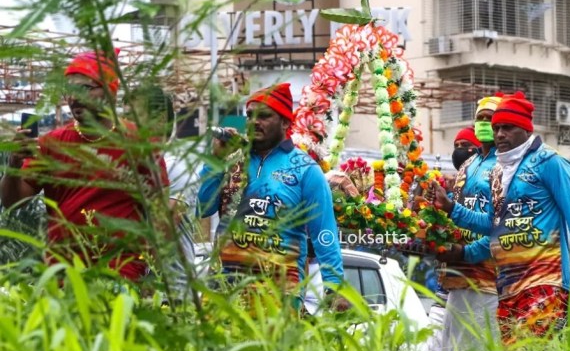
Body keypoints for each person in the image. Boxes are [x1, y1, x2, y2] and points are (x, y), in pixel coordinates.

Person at [433, 92, 570, 343]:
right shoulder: (500, 171)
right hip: (508, 285)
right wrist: (453, 216)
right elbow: (495, 227)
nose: (499, 134)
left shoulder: (550, 162)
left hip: (545, 281)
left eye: (508, 128)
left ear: (525, 129)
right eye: (496, 128)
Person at [0, 49, 169, 281]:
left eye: (84, 89)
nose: (73, 98)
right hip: (63, 276)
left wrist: (153, 277)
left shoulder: (140, 143)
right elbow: (12, 202)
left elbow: (161, 214)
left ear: (109, 91)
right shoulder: (52, 144)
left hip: (120, 277)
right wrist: (13, 166)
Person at [197, 83, 345, 309]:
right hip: (223, 291)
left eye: (264, 116)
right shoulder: (231, 160)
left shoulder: (305, 169)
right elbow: (202, 208)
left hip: (279, 295)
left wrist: (334, 287)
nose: (254, 122)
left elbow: (324, 233)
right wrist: (215, 160)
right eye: (249, 115)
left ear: (285, 122)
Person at [433, 99, 503, 351]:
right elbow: (454, 215)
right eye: (480, 118)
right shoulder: (467, 165)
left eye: (490, 119)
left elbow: (501, 227)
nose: (484, 124)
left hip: (488, 277)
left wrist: (467, 252)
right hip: (456, 275)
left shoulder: (506, 165)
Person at [127, 85, 205, 296]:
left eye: (133, 115)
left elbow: (160, 233)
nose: (123, 125)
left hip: (170, 296)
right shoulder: (131, 163)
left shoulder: (176, 168)